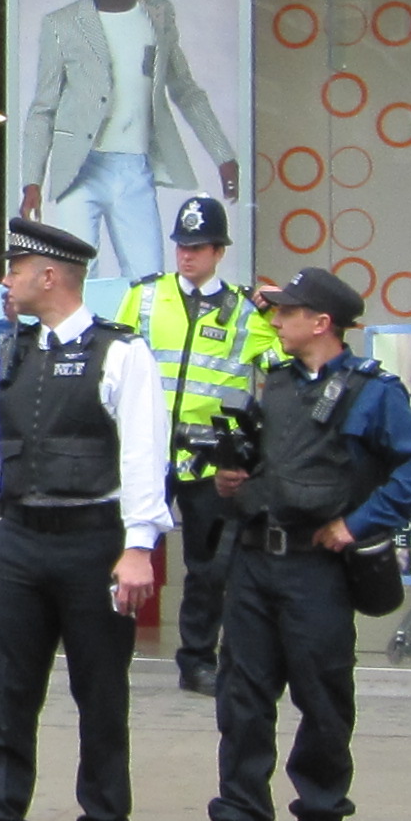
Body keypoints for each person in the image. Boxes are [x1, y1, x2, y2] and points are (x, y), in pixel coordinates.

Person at [0, 216, 171, 821]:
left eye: (15, 269)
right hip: (18, 541)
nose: (6, 280)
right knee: (11, 699)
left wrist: (139, 547)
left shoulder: (121, 353)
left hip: (92, 543)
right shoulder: (6, 352)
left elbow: (144, 456)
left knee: (102, 698)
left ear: (49, 277)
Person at [205, 267, 411, 821]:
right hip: (255, 560)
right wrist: (231, 480)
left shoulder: (373, 391)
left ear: (321, 322)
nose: (277, 321)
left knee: (325, 702)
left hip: (317, 568)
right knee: (243, 703)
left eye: (288, 312)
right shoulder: (275, 384)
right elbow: (260, 467)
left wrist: (358, 524)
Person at [13, 0, 241, 297]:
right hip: (80, 168)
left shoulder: (157, 14)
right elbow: (43, 108)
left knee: (148, 278)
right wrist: (31, 181)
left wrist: (222, 154)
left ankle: (137, 337)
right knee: (76, 272)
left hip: (135, 166)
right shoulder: (62, 23)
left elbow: (184, 89)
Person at [116, 194, 277, 695]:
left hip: (209, 456)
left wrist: (282, 313)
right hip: (147, 450)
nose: (187, 255)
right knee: (124, 553)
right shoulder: (145, 297)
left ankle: (197, 661)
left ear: (219, 252)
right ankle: (108, 652)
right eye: (182, 246)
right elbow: (114, 364)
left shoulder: (245, 310)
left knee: (209, 567)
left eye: (199, 247)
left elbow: (281, 363)